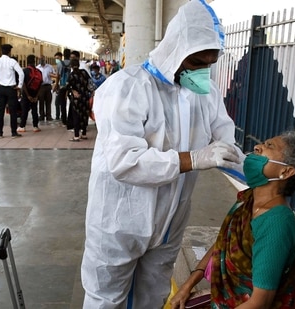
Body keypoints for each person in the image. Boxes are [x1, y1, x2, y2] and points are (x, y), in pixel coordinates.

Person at [81, 0, 245, 308]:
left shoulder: (204, 93)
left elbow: (224, 138)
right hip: (121, 221)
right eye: (197, 62)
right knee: (106, 300)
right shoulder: (127, 89)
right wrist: (194, 159)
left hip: (169, 223)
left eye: (209, 63)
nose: (202, 72)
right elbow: (124, 161)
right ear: (176, 52)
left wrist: (250, 168)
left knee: (153, 297)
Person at [169, 131, 295, 309]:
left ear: (286, 171)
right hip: (228, 299)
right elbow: (223, 242)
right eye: (263, 143)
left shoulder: (276, 224)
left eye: (269, 146)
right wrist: (188, 284)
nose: (257, 147)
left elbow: (260, 302)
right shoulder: (248, 199)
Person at [0, 44, 24, 138]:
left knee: (0, 111)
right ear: (9, 52)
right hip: (11, 89)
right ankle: (13, 133)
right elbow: (21, 73)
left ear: (1, 51)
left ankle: (0, 132)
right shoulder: (12, 61)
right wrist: (19, 85)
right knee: (13, 111)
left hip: (1, 89)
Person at [63, 59, 93, 141]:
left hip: (76, 99)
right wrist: (92, 92)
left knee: (76, 116)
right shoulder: (84, 72)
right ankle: (84, 134)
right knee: (84, 115)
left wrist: (73, 91)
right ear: (79, 65)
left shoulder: (72, 75)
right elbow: (90, 83)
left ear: (71, 66)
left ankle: (76, 135)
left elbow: (67, 86)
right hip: (85, 98)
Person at [17, 55, 42, 133]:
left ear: (27, 61)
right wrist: (36, 96)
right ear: (35, 61)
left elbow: (23, 84)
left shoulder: (24, 71)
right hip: (35, 93)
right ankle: (35, 126)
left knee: (24, 110)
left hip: (26, 94)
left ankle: (22, 127)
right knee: (34, 110)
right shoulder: (39, 71)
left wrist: (27, 95)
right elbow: (40, 84)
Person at [53, 49, 72, 124]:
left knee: (62, 104)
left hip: (62, 86)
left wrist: (56, 85)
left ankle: (64, 120)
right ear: (70, 54)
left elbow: (58, 76)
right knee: (72, 103)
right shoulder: (72, 63)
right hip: (71, 86)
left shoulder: (60, 64)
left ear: (63, 55)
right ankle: (71, 119)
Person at [37, 56, 56, 121]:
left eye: (42, 59)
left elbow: (54, 75)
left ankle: (48, 116)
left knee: (48, 101)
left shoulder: (50, 67)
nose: (41, 61)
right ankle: (41, 116)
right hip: (41, 87)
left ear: (45, 60)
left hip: (48, 86)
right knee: (41, 102)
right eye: (40, 59)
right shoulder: (37, 68)